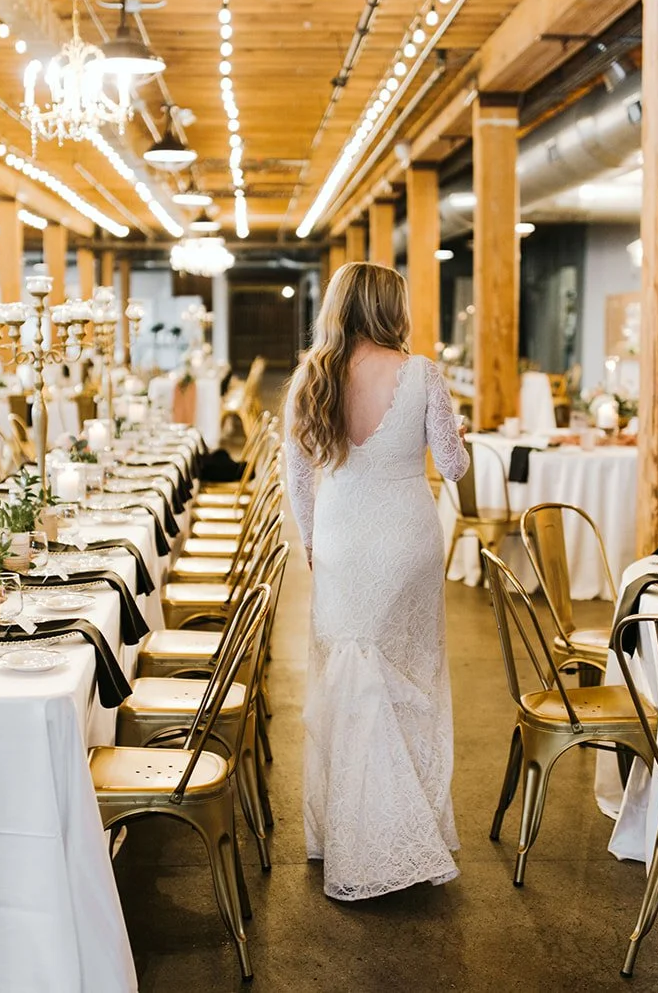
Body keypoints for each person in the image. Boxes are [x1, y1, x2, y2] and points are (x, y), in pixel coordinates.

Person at [285, 261, 470, 902]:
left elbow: (298, 478)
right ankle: (403, 824)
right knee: (409, 677)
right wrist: (459, 438)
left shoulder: (312, 378)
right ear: (392, 307)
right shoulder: (421, 374)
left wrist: (311, 541)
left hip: (341, 537)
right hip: (407, 540)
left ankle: (348, 830)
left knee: (347, 677)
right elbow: (452, 465)